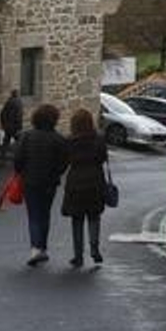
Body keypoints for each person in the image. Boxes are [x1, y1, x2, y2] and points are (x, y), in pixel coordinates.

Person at [13, 103, 67, 267]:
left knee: (34, 215)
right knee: (45, 214)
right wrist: (56, 173)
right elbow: (64, 162)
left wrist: (21, 171)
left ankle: (36, 248)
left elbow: (18, 158)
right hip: (50, 182)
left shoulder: (27, 136)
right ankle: (42, 247)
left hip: (30, 181)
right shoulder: (58, 139)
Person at [60, 108, 109, 268]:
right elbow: (103, 158)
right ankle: (95, 250)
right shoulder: (99, 139)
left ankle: (78, 255)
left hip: (76, 182)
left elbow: (65, 161)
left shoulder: (69, 141)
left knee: (77, 219)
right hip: (95, 181)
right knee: (94, 217)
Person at [0, 89, 23, 155]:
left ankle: (2, 154)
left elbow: (2, 113)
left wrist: (3, 123)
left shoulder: (8, 102)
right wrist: (19, 126)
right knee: (19, 140)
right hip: (14, 125)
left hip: (8, 125)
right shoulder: (18, 102)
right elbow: (19, 115)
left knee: (6, 139)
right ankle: (19, 154)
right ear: (17, 94)